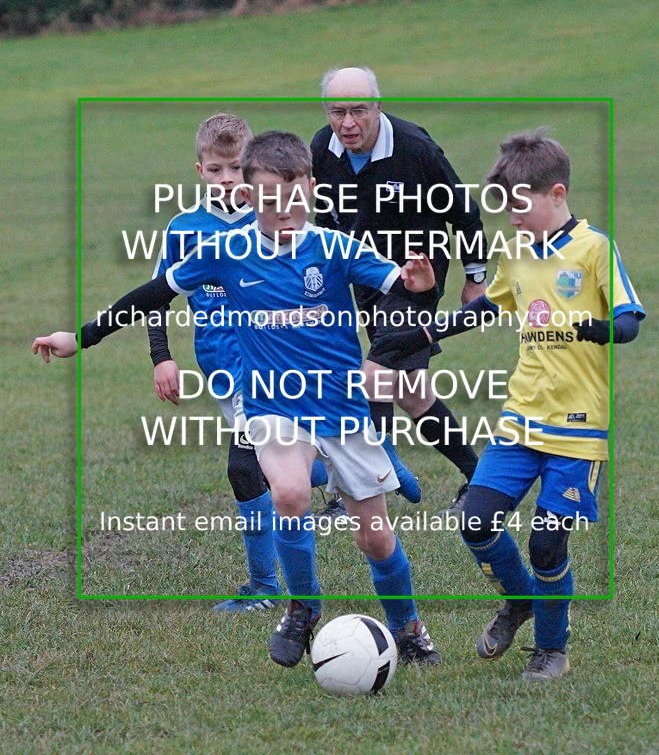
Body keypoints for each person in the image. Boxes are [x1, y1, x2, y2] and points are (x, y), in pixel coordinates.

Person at [33, 130, 442, 669]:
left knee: (376, 539)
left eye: (294, 198)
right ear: (248, 199)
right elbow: (154, 294)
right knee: (290, 494)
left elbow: (403, 290)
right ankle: (302, 607)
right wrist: (81, 336)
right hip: (271, 403)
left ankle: (408, 630)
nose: (284, 212)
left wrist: (421, 286)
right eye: (269, 202)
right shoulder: (224, 252)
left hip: (341, 408)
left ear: (313, 190)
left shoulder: (336, 248)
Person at [373, 130, 645, 679]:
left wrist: (601, 327)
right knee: (475, 521)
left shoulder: (595, 249)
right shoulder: (517, 254)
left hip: (576, 430)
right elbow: (485, 309)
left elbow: (629, 320)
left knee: (547, 546)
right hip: (520, 422)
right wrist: (421, 333)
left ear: (557, 193)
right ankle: (519, 600)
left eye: (521, 207)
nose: (513, 219)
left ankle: (551, 648)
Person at [147, 113, 326, 614]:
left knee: (243, 470)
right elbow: (155, 298)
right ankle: (324, 466)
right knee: (271, 469)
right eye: (216, 170)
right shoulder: (184, 230)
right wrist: (163, 358)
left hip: (273, 367)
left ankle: (266, 588)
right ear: (199, 170)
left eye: (234, 169)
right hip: (221, 370)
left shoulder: (270, 220)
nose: (227, 179)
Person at [311, 65, 487, 517]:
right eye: (337, 112)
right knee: (410, 391)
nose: (347, 123)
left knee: (375, 374)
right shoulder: (322, 150)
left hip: (416, 277)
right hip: (365, 277)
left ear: (378, 106)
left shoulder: (415, 147)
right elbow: (327, 220)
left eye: (358, 111)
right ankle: (481, 478)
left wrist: (475, 278)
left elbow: (464, 212)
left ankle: (366, 480)